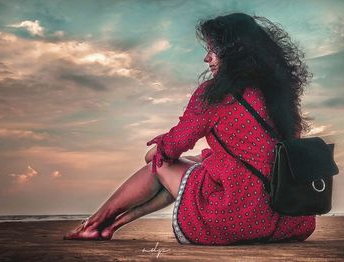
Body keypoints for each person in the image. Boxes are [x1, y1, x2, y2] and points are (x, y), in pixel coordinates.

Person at [63, 12, 315, 245]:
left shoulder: (216, 95)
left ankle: (95, 223)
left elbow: (168, 151)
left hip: (236, 217)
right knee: (198, 163)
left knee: (159, 164)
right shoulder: (279, 94)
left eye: (213, 50)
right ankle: (113, 225)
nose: (207, 58)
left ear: (234, 52)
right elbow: (278, 151)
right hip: (288, 219)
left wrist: (156, 152)